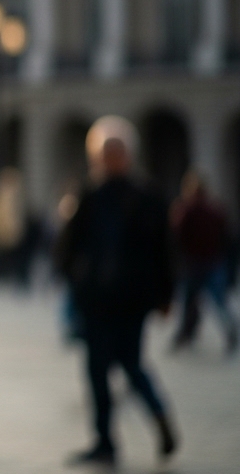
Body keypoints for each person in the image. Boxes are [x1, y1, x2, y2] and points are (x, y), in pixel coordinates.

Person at [55, 115, 178, 467]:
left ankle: (158, 417)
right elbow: (66, 247)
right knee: (97, 371)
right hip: (96, 298)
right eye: (105, 152)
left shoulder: (148, 198)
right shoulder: (88, 196)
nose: (110, 159)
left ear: (129, 155)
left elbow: (164, 251)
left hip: (131, 298)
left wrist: (166, 295)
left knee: (130, 364)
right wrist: (72, 281)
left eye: (117, 151)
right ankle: (105, 441)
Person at [170, 170, 237, 354]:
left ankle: (185, 333)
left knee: (190, 301)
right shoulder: (215, 209)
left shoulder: (186, 210)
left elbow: (176, 238)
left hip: (194, 264)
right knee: (216, 301)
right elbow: (227, 239)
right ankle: (190, 333)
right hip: (213, 262)